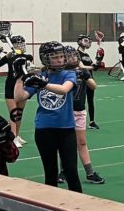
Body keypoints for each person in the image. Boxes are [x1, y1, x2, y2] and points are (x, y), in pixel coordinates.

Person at [14, 41, 82, 192]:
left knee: (71, 171)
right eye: (55, 57)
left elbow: (64, 90)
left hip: (66, 129)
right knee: (50, 173)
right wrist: (18, 76)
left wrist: (42, 84)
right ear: (46, 59)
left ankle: (79, 208)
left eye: (61, 57)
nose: (60, 60)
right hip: (44, 129)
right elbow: (19, 97)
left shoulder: (69, 74)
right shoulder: (40, 76)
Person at [57, 47, 104, 185]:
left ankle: (89, 172)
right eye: (69, 56)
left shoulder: (82, 71)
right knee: (64, 143)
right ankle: (63, 171)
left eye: (74, 56)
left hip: (79, 111)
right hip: (65, 111)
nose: (72, 58)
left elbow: (93, 86)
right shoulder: (62, 73)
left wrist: (85, 75)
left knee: (82, 142)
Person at [0, 35, 28, 147]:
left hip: (22, 86)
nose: (22, 45)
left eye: (23, 43)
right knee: (13, 114)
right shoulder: (10, 56)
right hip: (11, 86)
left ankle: (17, 135)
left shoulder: (25, 57)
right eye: (18, 43)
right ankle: (12, 137)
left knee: (20, 113)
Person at [76, 35, 100, 129]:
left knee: (90, 100)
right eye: (85, 40)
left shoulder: (87, 55)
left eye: (89, 41)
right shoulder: (76, 54)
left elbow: (91, 66)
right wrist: (93, 67)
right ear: (79, 41)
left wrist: (97, 63)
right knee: (80, 101)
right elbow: (81, 67)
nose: (88, 42)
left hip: (89, 79)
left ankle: (92, 121)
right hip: (80, 81)